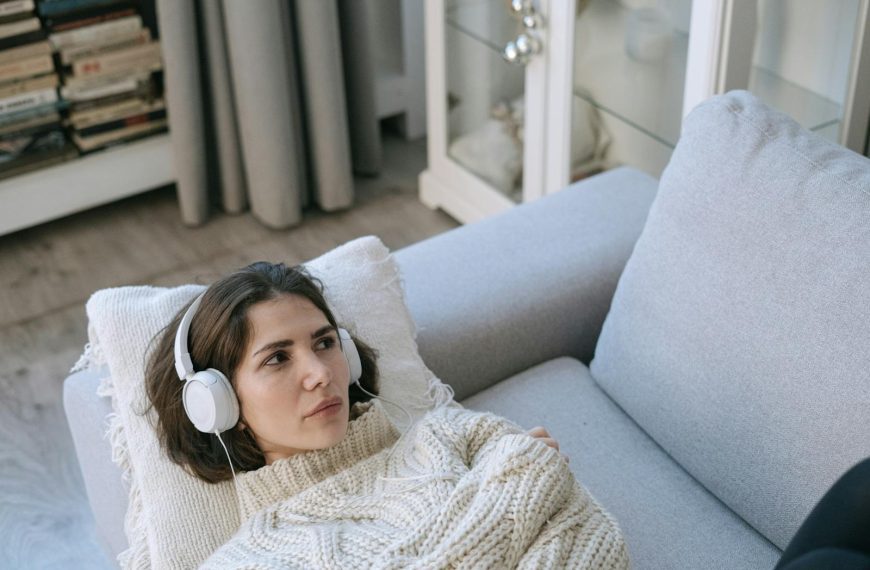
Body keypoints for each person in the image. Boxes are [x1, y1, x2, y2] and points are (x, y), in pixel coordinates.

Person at [144, 261, 629, 569]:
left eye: (325, 343)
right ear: (220, 402)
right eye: (277, 358)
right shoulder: (243, 563)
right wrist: (519, 485)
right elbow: (536, 480)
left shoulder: (452, 434)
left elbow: (600, 544)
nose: (319, 373)